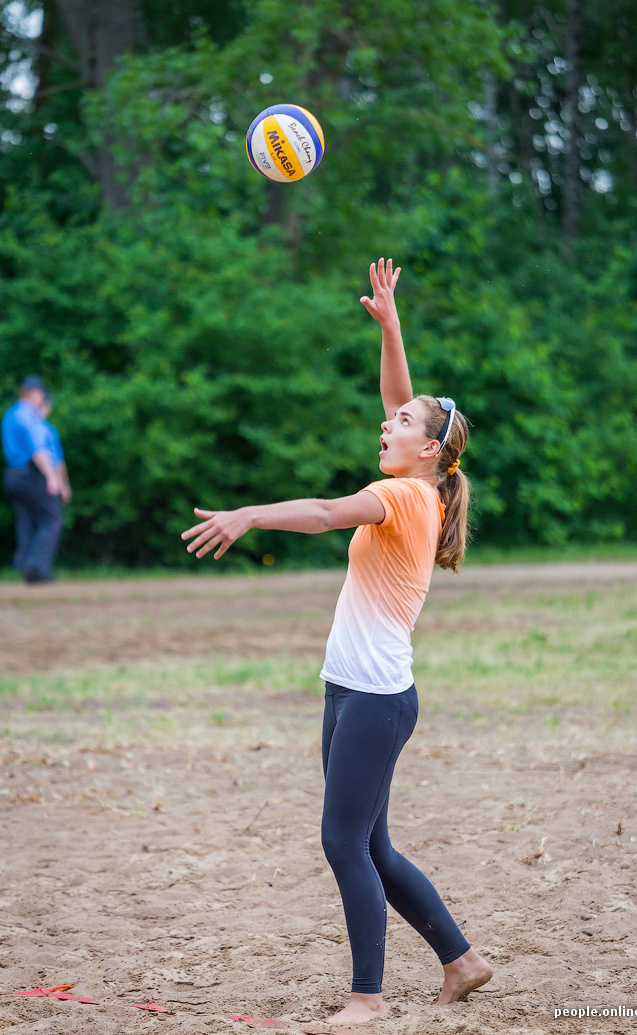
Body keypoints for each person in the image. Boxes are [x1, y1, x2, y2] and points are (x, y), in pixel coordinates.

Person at [181, 259, 492, 1025]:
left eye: (402, 424)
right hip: (355, 691)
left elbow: (324, 513)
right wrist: (391, 328)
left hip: (376, 700)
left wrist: (249, 514)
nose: (387, 423)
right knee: (371, 845)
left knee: (344, 842)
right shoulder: (422, 480)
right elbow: (401, 400)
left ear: (428, 450)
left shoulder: (401, 496)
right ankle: (461, 960)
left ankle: (367, 997)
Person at [1, 376, 63, 583]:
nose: (43, 398)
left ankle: (26, 566)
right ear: (33, 394)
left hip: (13, 474)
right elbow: (38, 450)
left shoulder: (10, 414)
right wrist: (51, 477)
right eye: (41, 394)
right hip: (30, 473)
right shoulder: (28, 415)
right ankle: (37, 568)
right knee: (51, 518)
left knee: (26, 520)